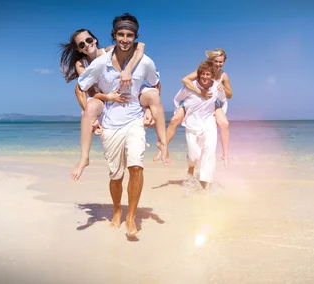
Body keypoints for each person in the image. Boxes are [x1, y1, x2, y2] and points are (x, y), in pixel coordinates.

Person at [77, 12, 162, 238]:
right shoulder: (99, 64)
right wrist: (93, 114)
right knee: (116, 176)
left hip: (134, 120)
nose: (125, 39)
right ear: (114, 35)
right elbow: (81, 86)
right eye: (121, 34)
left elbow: (156, 84)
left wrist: (148, 111)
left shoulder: (145, 61)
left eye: (130, 35)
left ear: (135, 37)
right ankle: (116, 210)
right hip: (111, 124)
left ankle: (131, 216)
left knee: (136, 166)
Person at [59, 29, 168, 181]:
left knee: (152, 95)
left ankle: (162, 143)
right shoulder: (81, 64)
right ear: (79, 49)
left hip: (126, 91)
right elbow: (89, 92)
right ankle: (84, 158)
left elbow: (140, 46)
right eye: (82, 44)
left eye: (89, 40)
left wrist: (147, 108)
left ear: (95, 40)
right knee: (82, 97)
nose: (87, 45)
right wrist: (108, 97)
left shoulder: (108, 51)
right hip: (103, 96)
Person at [155, 48, 232, 167]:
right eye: (216, 61)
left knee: (225, 124)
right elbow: (185, 80)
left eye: (220, 62)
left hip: (209, 102)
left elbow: (230, 95)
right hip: (193, 101)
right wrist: (200, 92)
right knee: (175, 120)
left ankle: (225, 154)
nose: (218, 64)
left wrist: (222, 87)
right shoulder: (203, 70)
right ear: (212, 60)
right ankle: (163, 148)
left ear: (224, 62)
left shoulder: (224, 76)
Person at [174, 60, 223, 191]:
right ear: (199, 74)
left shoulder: (216, 86)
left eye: (208, 74)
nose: (205, 77)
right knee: (194, 155)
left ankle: (206, 183)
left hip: (209, 124)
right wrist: (180, 110)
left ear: (212, 75)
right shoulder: (190, 86)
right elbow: (178, 99)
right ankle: (191, 170)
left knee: (210, 151)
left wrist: (219, 113)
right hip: (191, 124)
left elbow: (224, 100)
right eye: (203, 74)